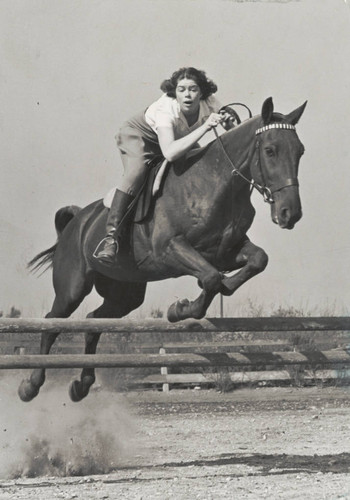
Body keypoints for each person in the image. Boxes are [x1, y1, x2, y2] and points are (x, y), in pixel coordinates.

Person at [95, 67, 236, 264]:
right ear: (174, 92)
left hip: (177, 138)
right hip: (141, 136)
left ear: (202, 92)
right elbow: (169, 153)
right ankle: (110, 238)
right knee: (137, 172)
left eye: (193, 89)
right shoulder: (165, 108)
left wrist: (231, 125)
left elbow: (234, 131)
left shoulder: (211, 103)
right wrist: (206, 127)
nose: (187, 95)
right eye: (181, 89)